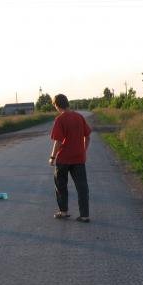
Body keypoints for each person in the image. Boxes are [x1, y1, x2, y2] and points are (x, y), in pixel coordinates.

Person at [49, 93, 92, 223]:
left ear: (57, 105)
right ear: (67, 102)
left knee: (61, 185)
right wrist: (83, 150)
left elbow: (58, 141)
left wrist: (52, 157)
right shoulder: (79, 117)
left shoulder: (60, 120)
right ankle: (84, 215)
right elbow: (88, 136)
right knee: (82, 187)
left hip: (63, 159)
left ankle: (63, 211)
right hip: (78, 158)